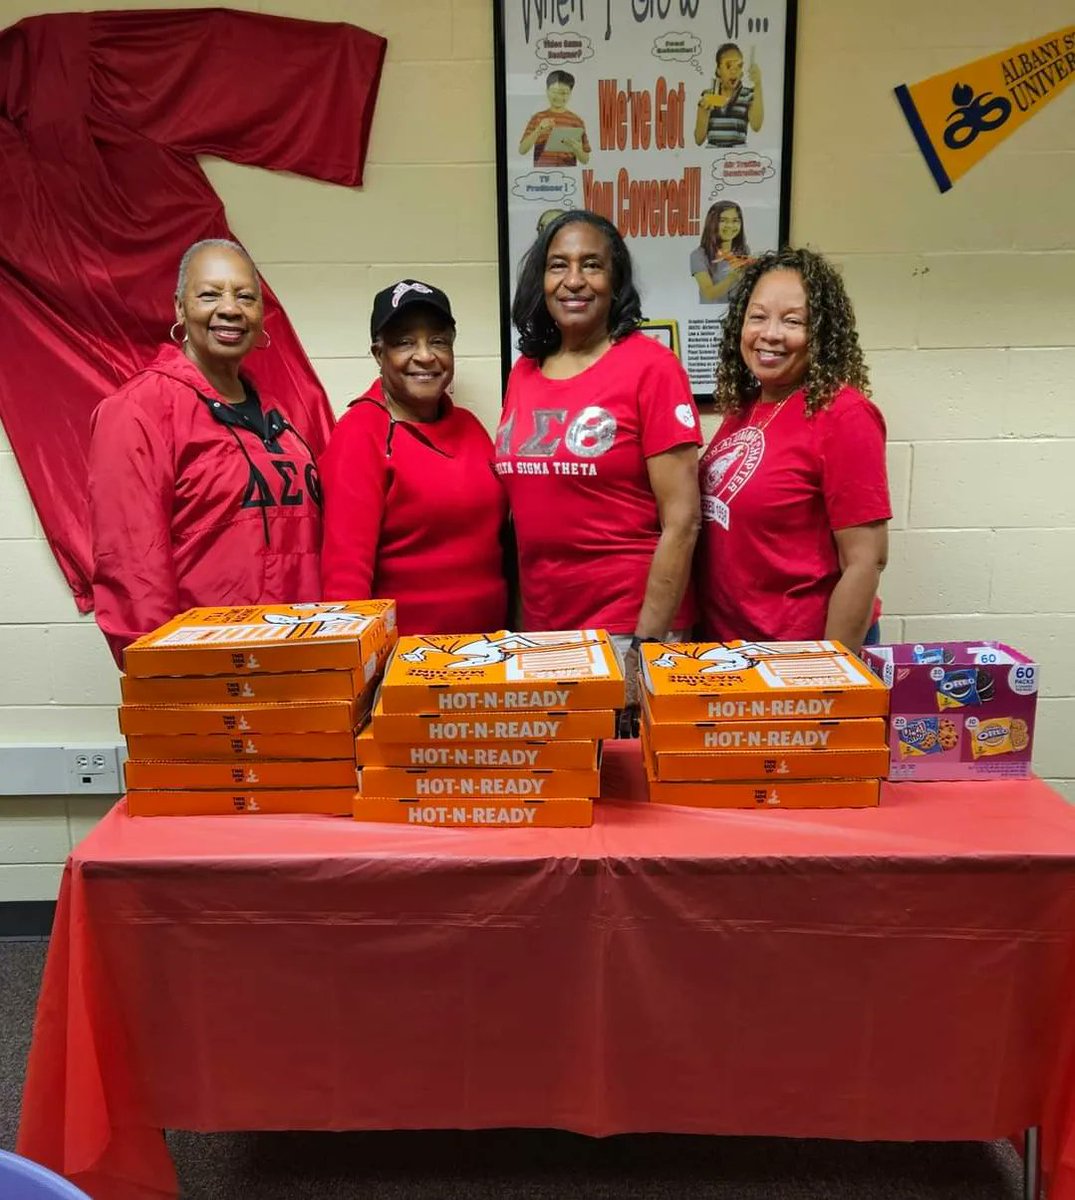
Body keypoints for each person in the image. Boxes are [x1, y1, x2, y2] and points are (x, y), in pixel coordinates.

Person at [88, 239, 327, 665]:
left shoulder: (281, 415)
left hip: (298, 658)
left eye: (245, 297)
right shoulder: (139, 411)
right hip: (209, 669)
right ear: (180, 308)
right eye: (210, 294)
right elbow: (132, 569)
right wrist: (164, 674)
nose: (231, 309)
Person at [498, 210, 702, 702]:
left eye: (591, 264)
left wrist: (645, 650)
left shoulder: (652, 367)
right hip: (546, 629)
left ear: (615, 281)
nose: (574, 280)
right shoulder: (524, 372)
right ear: (541, 280)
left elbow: (683, 521)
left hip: (627, 627)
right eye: (558, 265)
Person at [696, 247, 891, 652]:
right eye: (757, 316)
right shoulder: (748, 407)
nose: (770, 334)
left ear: (821, 332)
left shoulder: (843, 414)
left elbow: (865, 561)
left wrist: (827, 670)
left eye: (793, 321)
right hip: (734, 648)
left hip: (797, 653)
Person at [319, 280, 508, 635]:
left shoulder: (470, 427)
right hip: (405, 658)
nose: (425, 355)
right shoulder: (360, 434)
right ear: (379, 354)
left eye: (438, 341)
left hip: (487, 652)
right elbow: (345, 581)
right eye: (405, 342)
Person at [694, 42, 764, 148]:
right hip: (712, 155)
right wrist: (704, 111)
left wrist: (758, 84)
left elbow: (756, 126)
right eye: (728, 65)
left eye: (739, 66)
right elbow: (699, 140)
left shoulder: (747, 95)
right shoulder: (708, 95)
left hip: (737, 155)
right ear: (718, 70)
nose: (734, 71)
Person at [518, 70, 591, 167]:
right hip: (542, 173)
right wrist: (538, 130)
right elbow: (522, 150)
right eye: (555, 92)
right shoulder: (537, 118)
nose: (559, 97)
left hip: (568, 173)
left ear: (570, 93)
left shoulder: (577, 121)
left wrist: (578, 149)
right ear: (547, 91)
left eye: (564, 93)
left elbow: (585, 160)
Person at [690, 201, 753, 304]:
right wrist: (733, 277)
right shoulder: (698, 255)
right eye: (723, 220)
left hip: (737, 311)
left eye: (735, 221)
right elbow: (709, 294)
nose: (730, 225)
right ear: (712, 223)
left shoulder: (744, 251)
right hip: (710, 312)